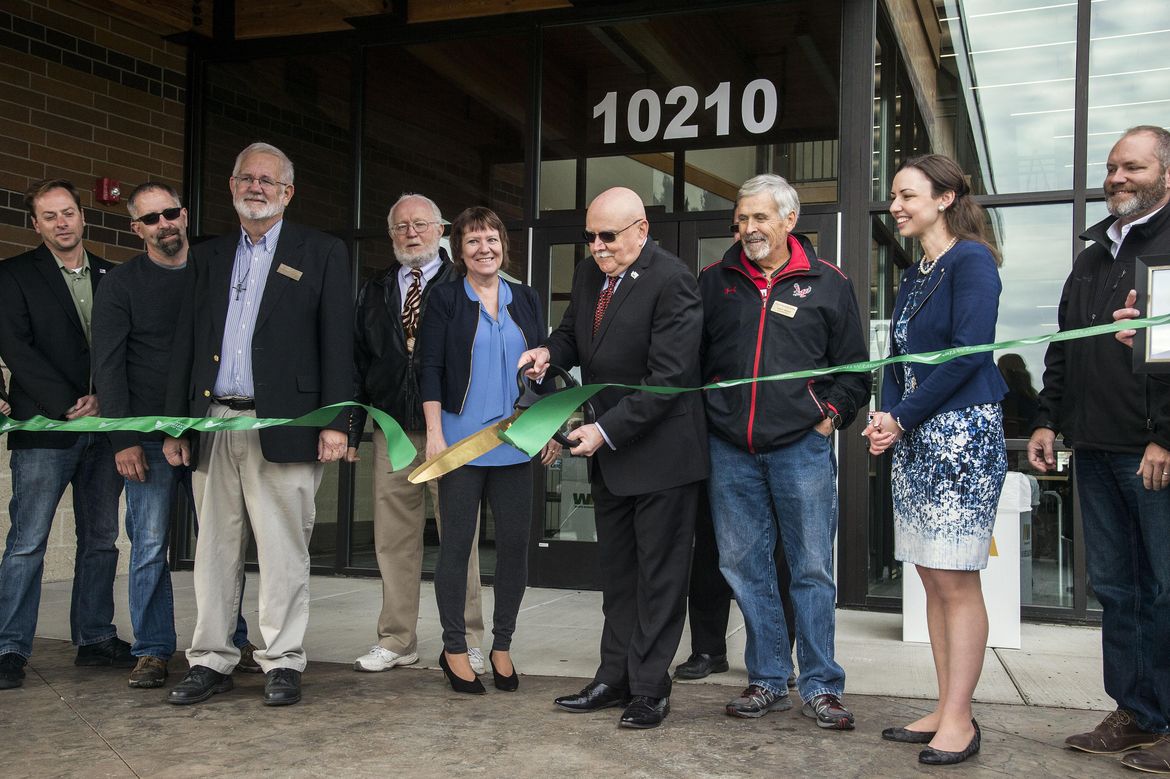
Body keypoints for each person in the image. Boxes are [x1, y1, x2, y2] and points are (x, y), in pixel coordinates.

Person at [163, 142, 353, 707]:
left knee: (282, 549)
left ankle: (282, 660)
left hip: (289, 424)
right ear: (231, 186)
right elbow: (187, 345)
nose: (256, 187)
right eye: (246, 177)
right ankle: (210, 659)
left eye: (268, 181)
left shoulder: (321, 252)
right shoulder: (208, 255)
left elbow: (338, 344)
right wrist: (177, 426)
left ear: (287, 193)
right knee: (215, 550)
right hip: (214, 421)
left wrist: (336, 421)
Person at [520, 186, 707, 729]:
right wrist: (548, 352)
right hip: (612, 454)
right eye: (590, 237)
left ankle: (650, 688)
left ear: (641, 230)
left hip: (663, 456)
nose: (597, 247)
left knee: (660, 578)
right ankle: (614, 676)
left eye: (608, 236)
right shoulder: (588, 275)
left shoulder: (673, 281)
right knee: (619, 575)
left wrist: (604, 430)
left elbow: (669, 379)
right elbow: (575, 334)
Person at [699, 174, 868, 727]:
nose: (748, 229)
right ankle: (768, 677)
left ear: (789, 221)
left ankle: (821, 684)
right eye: (742, 219)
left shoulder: (828, 283)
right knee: (744, 567)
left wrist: (829, 420)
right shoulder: (713, 282)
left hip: (801, 449)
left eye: (760, 218)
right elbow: (693, 366)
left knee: (811, 569)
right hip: (731, 451)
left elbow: (854, 372)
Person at [1028, 125, 1170, 775]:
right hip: (1094, 446)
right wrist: (1048, 418)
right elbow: (1064, 344)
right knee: (1118, 588)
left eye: (1133, 167)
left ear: (1166, 173)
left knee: (1167, 589)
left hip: (1153, 450)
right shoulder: (1092, 256)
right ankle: (1136, 712)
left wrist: (1166, 433)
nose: (1117, 177)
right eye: (1112, 167)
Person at [864, 154, 1007, 767]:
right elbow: (898, 356)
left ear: (945, 198)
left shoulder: (972, 260)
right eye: (893, 196)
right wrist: (885, 417)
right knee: (928, 572)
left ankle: (960, 718)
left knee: (956, 576)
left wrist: (904, 414)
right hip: (916, 431)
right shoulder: (916, 271)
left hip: (961, 435)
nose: (894, 206)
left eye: (906, 195)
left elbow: (969, 354)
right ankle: (946, 705)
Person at [417, 206, 559, 694]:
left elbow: (541, 367)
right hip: (460, 444)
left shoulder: (526, 297)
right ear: (459, 250)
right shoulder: (444, 299)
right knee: (457, 547)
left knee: (515, 549)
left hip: (516, 443)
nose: (485, 248)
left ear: (504, 245)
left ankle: (502, 645)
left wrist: (546, 430)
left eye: (492, 239)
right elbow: (429, 368)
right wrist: (434, 433)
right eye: (473, 241)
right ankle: (454, 647)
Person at [349, 194, 487, 677]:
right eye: (401, 226)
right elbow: (359, 363)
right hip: (392, 428)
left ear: (441, 229)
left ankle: (467, 640)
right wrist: (350, 429)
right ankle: (396, 640)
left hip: (451, 427)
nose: (411, 232)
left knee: (458, 537)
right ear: (391, 235)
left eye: (421, 224)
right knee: (393, 539)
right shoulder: (375, 288)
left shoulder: (467, 281)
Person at [0, 179, 127, 691]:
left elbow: (121, 348)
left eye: (68, 212)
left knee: (100, 540)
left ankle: (94, 637)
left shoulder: (112, 275)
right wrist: (68, 404)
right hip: (45, 429)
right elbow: (15, 346)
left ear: (82, 216)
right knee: (27, 542)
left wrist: (103, 400)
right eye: (49, 216)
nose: (61, 222)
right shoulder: (11, 276)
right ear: (36, 224)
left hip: (105, 430)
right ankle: (8, 647)